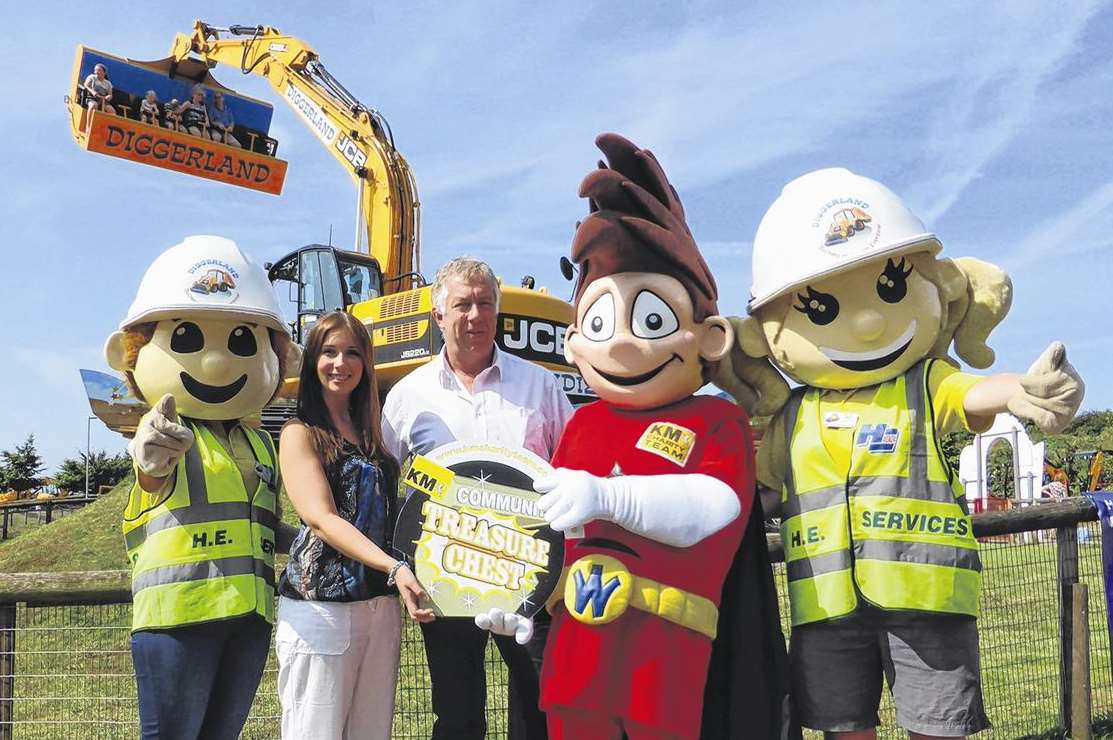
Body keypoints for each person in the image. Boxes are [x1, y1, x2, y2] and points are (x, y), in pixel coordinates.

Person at [715, 168, 1085, 739]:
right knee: (843, 728)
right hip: (826, 606)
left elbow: (980, 393)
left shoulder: (924, 382)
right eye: (819, 308)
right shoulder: (790, 415)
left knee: (936, 730)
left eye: (891, 288)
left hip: (927, 604)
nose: (864, 322)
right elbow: (761, 491)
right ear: (766, 331)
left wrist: (1023, 392)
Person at [478, 133, 793, 740]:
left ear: (708, 338)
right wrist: (521, 595)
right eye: (598, 321)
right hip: (576, 649)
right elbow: (556, 526)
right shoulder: (584, 423)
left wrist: (610, 497)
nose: (620, 341)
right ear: (574, 343)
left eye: (650, 319)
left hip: (664, 651)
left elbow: (717, 506)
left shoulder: (714, 419)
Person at [106, 235, 302, 740]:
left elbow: (257, 520)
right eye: (188, 338)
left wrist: (307, 538)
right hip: (179, 619)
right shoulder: (167, 433)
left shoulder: (260, 442)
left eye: (243, 342)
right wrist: (149, 461)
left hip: (248, 615)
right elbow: (151, 478)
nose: (216, 362)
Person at [382, 256, 574, 740]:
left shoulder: (541, 385)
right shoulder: (407, 396)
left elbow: (573, 467)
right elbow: (392, 484)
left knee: (540, 707)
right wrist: (402, 565)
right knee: (457, 713)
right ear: (438, 315)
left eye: (484, 303)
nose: (475, 315)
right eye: (462, 304)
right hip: (445, 577)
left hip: (531, 578)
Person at [276, 311, 433, 739]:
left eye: (352, 353)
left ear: (366, 363)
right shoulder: (299, 433)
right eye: (328, 352)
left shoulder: (372, 434)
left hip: (380, 610)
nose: (340, 363)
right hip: (322, 611)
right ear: (312, 361)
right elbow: (322, 519)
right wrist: (396, 568)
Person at [82, 63, 115, 131]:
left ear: (104, 72)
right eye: (95, 70)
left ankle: (109, 129)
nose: (96, 72)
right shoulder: (92, 77)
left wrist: (108, 97)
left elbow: (110, 95)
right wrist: (92, 91)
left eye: (99, 70)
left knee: (112, 111)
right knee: (94, 105)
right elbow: (85, 85)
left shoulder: (108, 83)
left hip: (103, 100)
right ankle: (88, 126)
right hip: (92, 98)